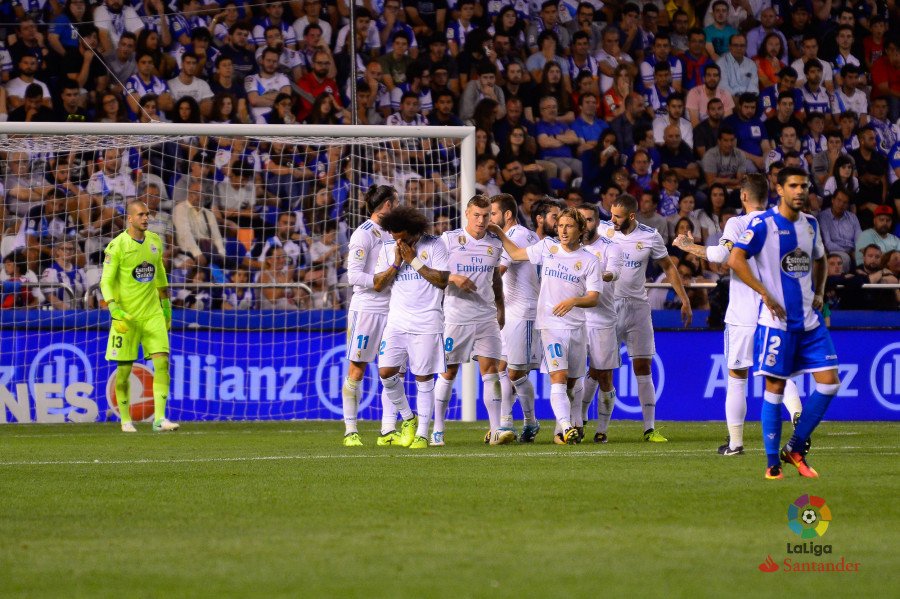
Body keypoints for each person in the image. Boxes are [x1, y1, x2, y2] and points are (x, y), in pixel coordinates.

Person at [675, 174, 803, 455]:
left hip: (743, 313)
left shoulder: (737, 223)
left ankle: (735, 444)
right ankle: (798, 416)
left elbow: (721, 256)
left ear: (744, 196)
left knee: (736, 377)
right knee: (777, 372)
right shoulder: (782, 224)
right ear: (768, 196)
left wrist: (688, 246)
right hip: (775, 311)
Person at [729, 166, 841, 480]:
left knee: (830, 382)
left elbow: (820, 258)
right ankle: (772, 464)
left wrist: (820, 292)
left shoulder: (811, 224)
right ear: (779, 189)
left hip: (810, 322)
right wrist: (764, 292)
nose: (800, 191)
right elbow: (735, 259)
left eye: (804, 186)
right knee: (775, 389)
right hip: (776, 324)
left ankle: (794, 448)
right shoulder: (763, 225)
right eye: (793, 185)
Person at [489, 208, 602, 445]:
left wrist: (574, 301)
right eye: (560, 226)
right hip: (550, 326)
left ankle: (565, 428)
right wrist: (499, 232)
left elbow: (594, 297)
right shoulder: (547, 248)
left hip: (577, 328)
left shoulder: (590, 260)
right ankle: (567, 427)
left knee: (571, 384)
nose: (563, 231)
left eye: (569, 226)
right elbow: (516, 253)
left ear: (581, 229)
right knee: (558, 377)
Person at [608, 193, 692, 441]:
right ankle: (589, 426)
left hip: (638, 308)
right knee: (600, 368)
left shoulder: (650, 236)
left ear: (631, 216)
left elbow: (668, 267)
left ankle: (649, 428)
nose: (612, 220)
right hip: (609, 307)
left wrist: (684, 299)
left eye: (617, 216)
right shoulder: (604, 231)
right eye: (611, 214)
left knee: (643, 366)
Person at [431, 195, 507, 446]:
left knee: (491, 370)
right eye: (476, 215)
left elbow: (495, 277)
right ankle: (438, 430)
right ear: (466, 214)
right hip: (456, 317)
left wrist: (501, 307)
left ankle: (495, 430)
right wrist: (454, 278)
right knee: (448, 372)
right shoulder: (449, 240)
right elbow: (432, 273)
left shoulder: (495, 243)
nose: (481, 220)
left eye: (486, 215)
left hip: (486, 316)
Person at [100, 199, 179, 433]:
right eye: (141, 215)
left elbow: (160, 273)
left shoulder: (154, 241)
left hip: (152, 313)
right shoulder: (117, 246)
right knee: (124, 372)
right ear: (130, 219)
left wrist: (166, 306)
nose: (146, 218)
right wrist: (114, 310)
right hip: (126, 317)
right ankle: (125, 420)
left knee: (162, 363)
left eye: (147, 214)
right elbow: (105, 281)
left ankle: (160, 419)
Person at [377, 206, 450, 450]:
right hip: (397, 322)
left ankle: (422, 434)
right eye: (394, 237)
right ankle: (409, 417)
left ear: (414, 231)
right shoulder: (388, 248)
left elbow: (442, 281)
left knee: (423, 378)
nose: (398, 242)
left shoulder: (435, 245)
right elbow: (378, 284)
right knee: (386, 372)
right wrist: (396, 264)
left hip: (427, 322)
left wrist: (414, 261)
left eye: (403, 238)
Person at [341, 185, 398, 447]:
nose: (398, 207)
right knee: (357, 369)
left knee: (392, 370)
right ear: (387, 205)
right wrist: (378, 281)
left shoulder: (394, 232)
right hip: (367, 310)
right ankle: (350, 430)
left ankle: (388, 430)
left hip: (394, 308)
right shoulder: (363, 234)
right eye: (396, 202)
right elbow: (353, 276)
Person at [489, 194, 542, 442]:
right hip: (508, 311)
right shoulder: (525, 235)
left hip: (523, 312)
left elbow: (498, 272)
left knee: (515, 373)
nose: (489, 219)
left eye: (493, 214)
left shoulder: (516, 237)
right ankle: (505, 424)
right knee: (501, 368)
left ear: (507, 214)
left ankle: (530, 423)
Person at [576, 203, 621, 443]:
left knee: (603, 375)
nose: (585, 224)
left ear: (597, 222)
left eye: (590, 219)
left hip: (602, 319)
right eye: (581, 219)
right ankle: (578, 419)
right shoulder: (567, 249)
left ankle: (602, 429)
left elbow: (613, 273)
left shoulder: (610, 247)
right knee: (573, 376)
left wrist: (594, 274)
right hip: (574, 319)